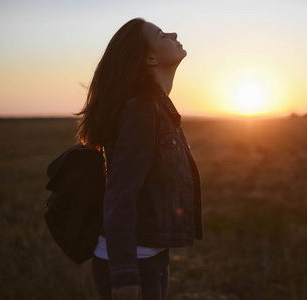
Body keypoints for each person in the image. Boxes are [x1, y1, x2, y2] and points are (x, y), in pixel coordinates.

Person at [75, 18, 203, 300]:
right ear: (149, 57)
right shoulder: (141, 109)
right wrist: (124, 274)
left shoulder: (157, 104)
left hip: (151, 256)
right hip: (133, 263)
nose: (174, 33)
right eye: (161, 34)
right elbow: (120, 195)